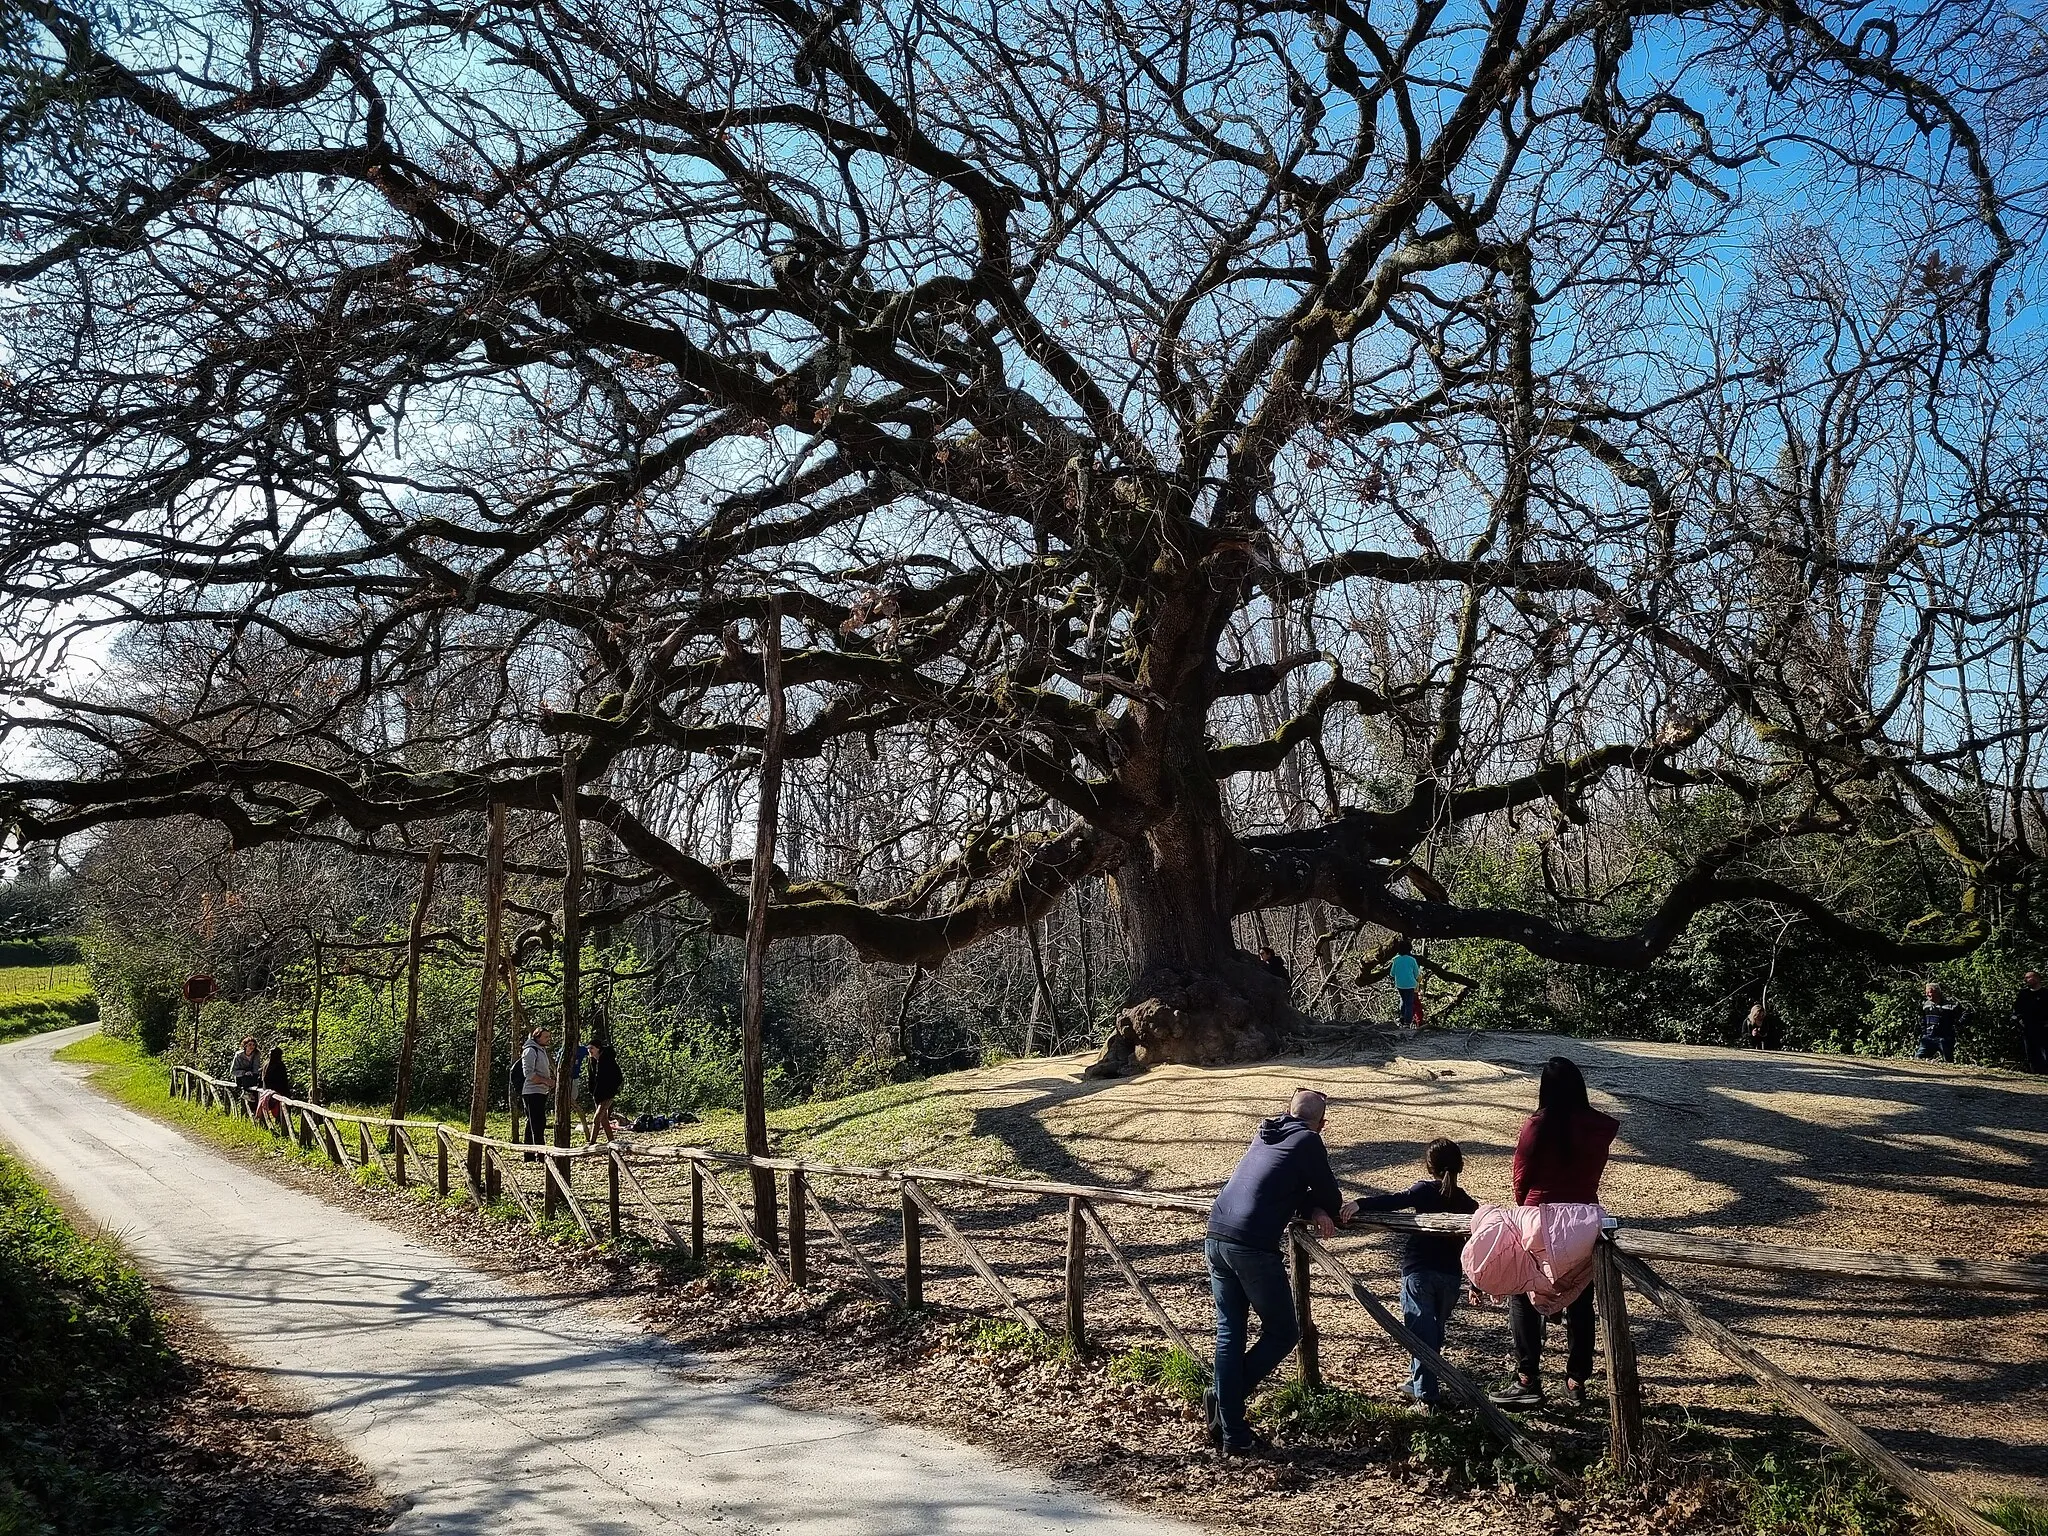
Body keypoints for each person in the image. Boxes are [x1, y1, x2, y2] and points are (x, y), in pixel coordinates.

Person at [1203, 1088, 1345, 1454]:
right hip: (1252, 1244)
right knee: (1284, 1332)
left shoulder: (1265, 1131)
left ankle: (1232, 1429)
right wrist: (1318, 1207)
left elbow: (1277, 1180)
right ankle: (1225, 1400)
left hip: (1216, 1232)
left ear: (1287, 1110)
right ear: (1322, 1124)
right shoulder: (1309, 1141)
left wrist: (1307, 1205)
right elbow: (1333, 1198)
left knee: (1228, 1333)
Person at [1491, 1056, 1619, 1409]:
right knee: (1580, 1296)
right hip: (1583, 1216)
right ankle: (1576, 1381)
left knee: (1523, 1289)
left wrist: (1526, 1207)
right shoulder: (1597, 1127)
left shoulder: (1537, 1125)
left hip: (1539, 1213)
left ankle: (1527, 1378)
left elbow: (1522, 1174)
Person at [1344, 1138, 1477, 1411]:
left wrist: (1360, 1203)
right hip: (1450, 1275)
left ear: (1430, 1167)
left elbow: (1395, 1201)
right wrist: (1475, 1281)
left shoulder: (1424, 1190)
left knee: (1420, 1333)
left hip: (1419, 1270)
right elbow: (1476, 1242)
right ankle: (1417, 1381)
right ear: (1460, 1166)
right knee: (1435, 1332)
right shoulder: (1467, 1202)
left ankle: (1426, 1398)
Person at [520, 1027, 556, 1157]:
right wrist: (547, 1081)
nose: (548, 1039)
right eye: (545, 1037)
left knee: (532, 1123)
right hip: (532, 1092)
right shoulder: (530, 1050)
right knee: (537, 1123)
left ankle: (529, 1155)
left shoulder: (541, 1050)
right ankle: (540, 1154)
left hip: (540, 1091)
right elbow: (529, 1074)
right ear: (537, 1037)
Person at [1915, 983, 1964, 1064]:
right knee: (1918, 1059)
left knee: (1948, 1061)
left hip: (1944, 1039)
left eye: (1929, 992)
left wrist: (1958, 1024)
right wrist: (1924, 1032)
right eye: (1926, 992)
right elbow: (1922, 1019)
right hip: (1928, 1037)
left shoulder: (1950, 1005)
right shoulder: (1925, 1005)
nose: (1927, 994)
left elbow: (1966, 1013)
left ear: (1937, 992)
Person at [588, 1042, 625, 1143]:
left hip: (607, 1094)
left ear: (598, 1048)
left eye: (592, 1048)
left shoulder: (608, 1061)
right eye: (588, 1048)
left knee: (596, 1118)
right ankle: (611, 1141)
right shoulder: (592, 1061)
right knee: (604, 1121)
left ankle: (591, 1142)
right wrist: (592, 1091)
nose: (589, 1050)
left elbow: (618, 1077)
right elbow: (591, 1079)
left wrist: (611, 1090)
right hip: (597, 1095)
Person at [2011, 972, 2047, 1073]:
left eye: (2028, 977)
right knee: (2031, 1052)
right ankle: (2035, 1073)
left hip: (2043, 1027)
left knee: (2045, 1051)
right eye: (2025, 978)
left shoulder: (2045, 994)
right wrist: (2018, 1020)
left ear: (2037, 978)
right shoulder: (2023, 994)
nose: (2026, 980)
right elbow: (2016, 1010)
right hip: (2027, 1027)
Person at [256, 1046, 293, 1130]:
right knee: (284, 1110)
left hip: (267, 1090)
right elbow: (283, 1080)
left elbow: (261, 1078)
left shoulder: (266, 1064)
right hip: (278, 1091)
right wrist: (286, 1092)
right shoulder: (279, 1065)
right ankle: (284, 1127)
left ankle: (268, 1124)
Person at [1391, 940, 1422, 1028]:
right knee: (1409, 1003)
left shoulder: (1396, 960)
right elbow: (1416, 974)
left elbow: (1392, 973)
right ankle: (1407, 1022)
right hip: (1410, 984)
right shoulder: (1412, 960)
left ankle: (1402, 1018)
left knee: (1403, 1000)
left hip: (1400, 984)